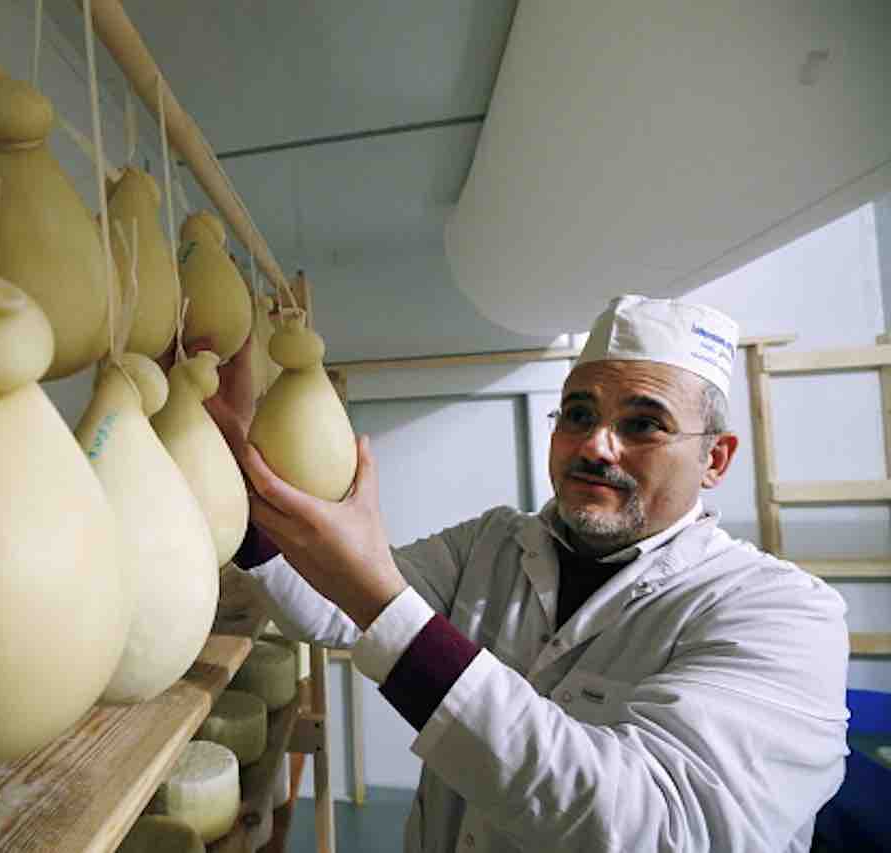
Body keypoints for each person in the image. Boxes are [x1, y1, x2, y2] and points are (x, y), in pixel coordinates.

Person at [205, 294, 850, 853]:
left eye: (643, 424)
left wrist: (380, 595)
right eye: (577, 413)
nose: (596, 445)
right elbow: (330, 610)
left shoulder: (783, 615)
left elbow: (659, 833)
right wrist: (243, 483)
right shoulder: (495, 543)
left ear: (716, 458)